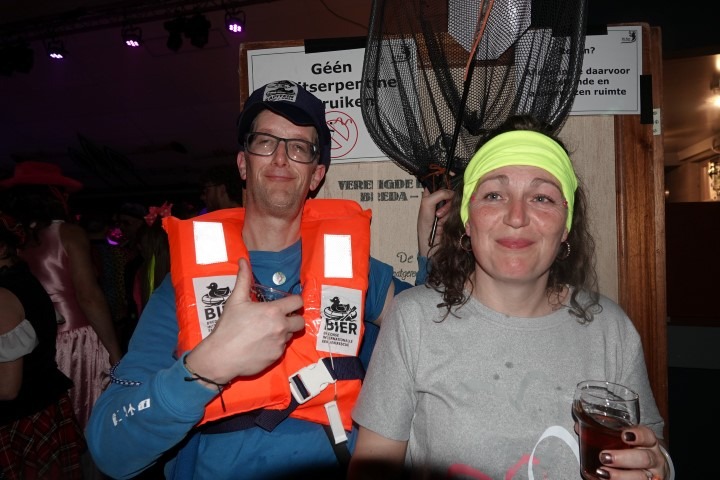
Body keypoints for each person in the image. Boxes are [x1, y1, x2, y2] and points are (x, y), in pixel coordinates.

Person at [85, 79, 453, 480]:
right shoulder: (179, 291)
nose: (280, 157)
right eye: (265, 142)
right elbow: (109, 448)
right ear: (243, 164)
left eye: (299, 147)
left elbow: (432, 332)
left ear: (316, 174)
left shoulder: (359, 270)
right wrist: (206, 369)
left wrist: (432, 256)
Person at [348, 116, 674, 480]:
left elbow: (652, 447)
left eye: (541, 197)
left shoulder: (611, 329)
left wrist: (658, 467)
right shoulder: (413, 320)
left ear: (565, 226)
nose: (517, 217)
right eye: (494, 195)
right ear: (467, 220)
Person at [0, 161, 123, 436]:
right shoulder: (68, 233)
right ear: (55, 196)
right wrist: (115, 351)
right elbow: (88, 296)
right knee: (91, 420)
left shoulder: (14, 240)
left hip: (31, 343)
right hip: (76, 341)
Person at [0, 211, 86, 479]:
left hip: (21, 420)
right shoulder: (24, 279)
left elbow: (7, 389)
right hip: (40, 409)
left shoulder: (4, 294)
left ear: (2, 248)